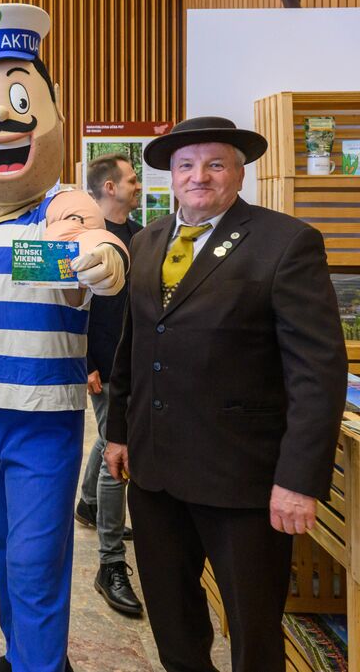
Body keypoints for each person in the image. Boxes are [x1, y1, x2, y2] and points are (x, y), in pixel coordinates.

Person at [104, 116, 347, 672]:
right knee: (172, 621)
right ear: (171, 175)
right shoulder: (146, 241)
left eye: (215, 164)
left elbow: (318, 372)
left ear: (239, 173)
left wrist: (298, 480)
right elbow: (133, 345)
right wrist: (118, 431)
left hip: (242, 478)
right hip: (155, 472)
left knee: (253, 629)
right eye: (186, 165)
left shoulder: (286, 242)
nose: (199, 177)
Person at [0, 4, 128, 672]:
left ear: (50, 111)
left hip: (42, 419)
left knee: (35, 560)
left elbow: (95, 243)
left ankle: (41, 666)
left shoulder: (60, 207)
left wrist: (103, 260)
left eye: (20, 100)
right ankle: (23, 654)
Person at [73, 154, 142, 616]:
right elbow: (74, 306)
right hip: (103, 365)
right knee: (118, 449)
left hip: (137, 365)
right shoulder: (84, 237)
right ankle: (110, 561)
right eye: (132, 179)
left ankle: (88, 504)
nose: (139, 186)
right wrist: (88, 363)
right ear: (110, 187)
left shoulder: (143, 236)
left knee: (108, 437)